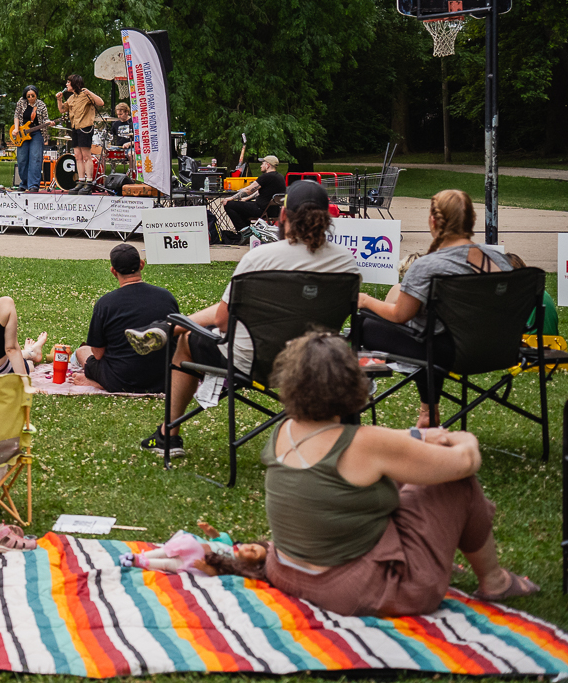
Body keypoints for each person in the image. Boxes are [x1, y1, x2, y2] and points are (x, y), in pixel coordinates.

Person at [259, 330, 536, 614]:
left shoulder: (284, 431)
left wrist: (418, 436)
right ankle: (494, 580)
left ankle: (437, 553)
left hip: (287, 574)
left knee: (398, 474)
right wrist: (466, 439)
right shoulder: (365, 444)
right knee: (455, 482)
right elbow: (465, 463)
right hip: (356, 591)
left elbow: (375, 446)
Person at [130, 179, 359, 457]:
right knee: (200, 323)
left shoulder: (259, 258)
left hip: (253, 362)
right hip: (315, 363)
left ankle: (169, 434)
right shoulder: (346, 263)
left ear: (283, 216)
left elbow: (224, 322)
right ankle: (168, 325)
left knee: (188, 341)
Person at [353, 189, 512, 428]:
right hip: (496, 348)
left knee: (365, 324)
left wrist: (365, 301)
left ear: (434, 220)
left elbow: (399, 314)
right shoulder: (498, 261)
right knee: (428, 332)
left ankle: (358, 412)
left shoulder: (428, 266)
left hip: (445, 354)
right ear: (471, 221)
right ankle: (428, 411)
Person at [74, 244, 178, 393]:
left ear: (113, 271)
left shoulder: (106, 303)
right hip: (162, 379)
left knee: (82, 351)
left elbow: (97, 354)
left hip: (120, 379)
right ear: (141, 264)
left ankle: (100, 383)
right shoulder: (166, 297)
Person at [211, 155, 285, 243]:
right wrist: (246, 199)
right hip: (273, 210)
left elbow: (249, 190)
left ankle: (244, 232)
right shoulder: (279, 177)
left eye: (262, 163)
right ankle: (248, 234)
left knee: (229, 205)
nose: (261, 165)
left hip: (262, 210)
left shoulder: (266, 177)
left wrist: (230, 198)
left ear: (268, 165)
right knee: (242, 206)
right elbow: (258, 192)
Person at [55, 73, 105, 195]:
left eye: (68, 82)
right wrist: (59, 99)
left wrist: (89, 93)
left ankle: (89, 182)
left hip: (85, 128)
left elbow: (101, 103)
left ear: (74, 83)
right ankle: (80, 181)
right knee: (77, 156)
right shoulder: (71, 98)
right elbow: (62, 110)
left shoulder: (85, 95)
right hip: (75, 128)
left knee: (86, 156)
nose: (66, 84)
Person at [12, 85, 49, 191]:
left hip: (37, 133)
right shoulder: (21, 102)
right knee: (22, 159)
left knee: (35, 158)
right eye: (28, 96)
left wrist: (48, 123)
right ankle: (24, 183)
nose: (31, 98)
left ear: (36, 95)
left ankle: (33, 185)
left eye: (33, 95)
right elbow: (16, 115)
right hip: (23, 133)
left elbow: (46, 119)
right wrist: (16, 129)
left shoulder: (41, 105)